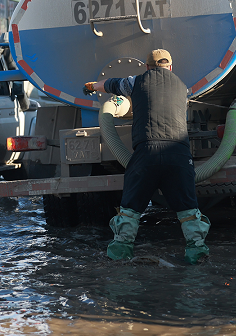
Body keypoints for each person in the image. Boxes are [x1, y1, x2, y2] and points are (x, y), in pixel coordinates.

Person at [85, 49, 210, 264]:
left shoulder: (136, 82)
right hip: (178, 154)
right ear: (170, 67)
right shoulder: (182, 87)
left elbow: (112, 84)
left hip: (147, 153)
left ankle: (120, 257)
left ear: (147, 67)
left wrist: (93, 86)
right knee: (188, 209)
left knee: (130, 209)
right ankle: (197, 255)